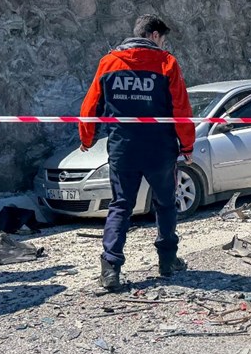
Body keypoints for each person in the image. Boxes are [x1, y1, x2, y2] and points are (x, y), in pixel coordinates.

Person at [80, 15, 196, 291]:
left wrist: (86, 138)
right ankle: (168, 261)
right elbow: (181, 108)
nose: (164, 43)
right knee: (165, 204)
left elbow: (91, 105)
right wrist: (187, 146)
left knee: (121, 205)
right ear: (154, 35)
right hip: (160, 148)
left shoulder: (109, 62)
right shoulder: (167, 63)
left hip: (123, 147)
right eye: (163, 38)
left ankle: (110, 269)